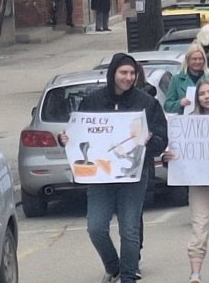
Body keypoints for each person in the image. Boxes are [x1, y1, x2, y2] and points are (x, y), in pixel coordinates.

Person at [58, 53, 168, 283]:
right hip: (100, 176)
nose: (128, 78)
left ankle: (128, 276)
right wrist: (65, 139)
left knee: (129, 228)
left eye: (131, 73)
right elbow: (77, 132)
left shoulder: (146, 103)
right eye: (123, 73)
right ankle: (114, 266)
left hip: (134, 175)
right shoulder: (93, 101)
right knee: (96, 227)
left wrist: (150, 140)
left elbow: (161, 138)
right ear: (113, 74)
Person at [163, 79, 209, 283]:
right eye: (202, 94)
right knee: (199, 225)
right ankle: (195, 273)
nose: (206, 96)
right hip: (198, 184)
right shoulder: (187, 122)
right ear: (197, 98)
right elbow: (177, 151)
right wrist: (170, 158)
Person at [164, 45, 209, 113]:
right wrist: (180, 103)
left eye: (200, 59)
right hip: (186, 120)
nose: (197, 62)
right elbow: (167, 106)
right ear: (187, 60)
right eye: (194, 59)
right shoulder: (176, 79)